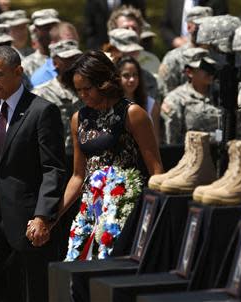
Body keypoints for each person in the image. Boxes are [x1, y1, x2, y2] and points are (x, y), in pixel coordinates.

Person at [0, 45, 66, 302]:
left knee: (34, 290)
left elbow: (52, 168)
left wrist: (43, 216)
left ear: (18, 71)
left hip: (29, 219)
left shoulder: (42, 111)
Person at [60, 50, 163, 259]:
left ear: (103, 83)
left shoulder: (132, 114)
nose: (82, 95)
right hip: (91, 209)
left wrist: (153, 217)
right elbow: (78, 176)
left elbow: (156, 170)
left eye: (87, 89)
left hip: (126, 209)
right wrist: (52, 217)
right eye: (78, 90)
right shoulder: (78, 118)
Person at [161, 48, 220, 144]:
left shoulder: (221, 94)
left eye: (211, 67)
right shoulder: (176, 99)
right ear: (189, 72)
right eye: (204, 68)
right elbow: (171, 141)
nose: (210, 72)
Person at [32, 39, 83, 151]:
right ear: (55, 63)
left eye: (76, 58)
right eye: (68, 59)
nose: (74, 63)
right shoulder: (41, 93)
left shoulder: (86, 90)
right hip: (57, 157)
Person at [105, 28, 160, 104]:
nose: (132, 55)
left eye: (134, 51)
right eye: (127, 51)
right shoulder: (100, 76)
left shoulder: (148, 79)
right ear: (112, 50)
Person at [116, 55, 161, 145]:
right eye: (126, 75)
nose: (132, 79)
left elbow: (156, 142)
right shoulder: (109, 104)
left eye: (135, 75)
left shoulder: (150, 104)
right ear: (117, 77)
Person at [106, 5, 160, 78]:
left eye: (134, 28)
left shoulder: (152, 60)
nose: (131, 31)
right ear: (113, 32)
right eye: (125, 28)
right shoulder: (105, 62)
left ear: (140, 31)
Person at [160, 0, 228, 49]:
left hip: (206, 54)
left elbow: (223, 29)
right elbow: (165, 27)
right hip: (178, 52)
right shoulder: (174, 1)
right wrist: (175, 40)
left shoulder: (217, 2)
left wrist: (202, 44)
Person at [30, 21, 79, 87]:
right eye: (66, 43)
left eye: (73, 42)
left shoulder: (87, 68)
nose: (71, 47)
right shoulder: (40, 78)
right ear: (53, 44)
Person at [22, 9, 60, 77]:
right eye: (46, 28)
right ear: (36, 31)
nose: (51, 32)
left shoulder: (67, 60)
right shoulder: (27, 65)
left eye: (54, 27)